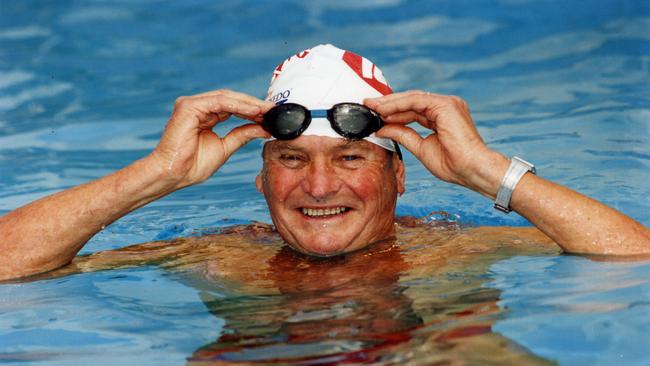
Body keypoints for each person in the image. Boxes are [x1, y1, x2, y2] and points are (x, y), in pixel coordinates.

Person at [0, 44, 648, 281]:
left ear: (399, 174)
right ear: (260, 180)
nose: (317, 186)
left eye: (349, 157)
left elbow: (636, 260)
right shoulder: (222, 259)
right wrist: (155, 176)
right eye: (289, 158)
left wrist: (489, 174)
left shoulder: (456, 251)